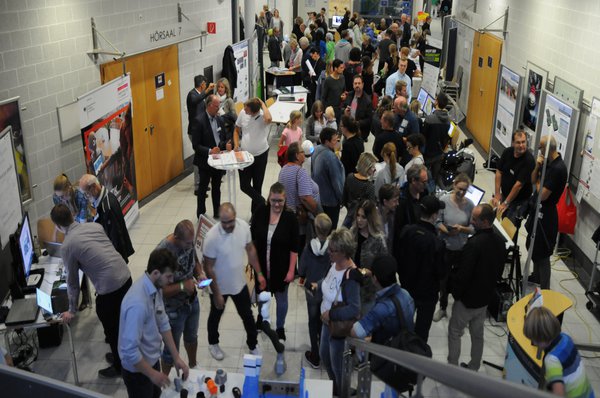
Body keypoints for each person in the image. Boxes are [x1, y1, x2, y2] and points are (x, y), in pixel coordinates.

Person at [50, 204, 132, 379]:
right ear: (72, 214)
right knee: (122, 322)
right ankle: (122, 356)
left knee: (112, 330)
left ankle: (120, 367)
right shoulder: (95, 226)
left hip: (110, 288)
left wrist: (71, 310)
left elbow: (72, 283)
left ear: (57, 226)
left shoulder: (67, 246)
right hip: (125, 276)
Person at [119, 249, 190, 397]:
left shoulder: (156, 288)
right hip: (138, 372)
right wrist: (152, 374)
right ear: (156, 273)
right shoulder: (137, 304)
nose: (171, 281)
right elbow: (129, 351)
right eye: (169, 276)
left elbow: (163, 322)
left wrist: (176, 357)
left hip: (151, 362)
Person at [203, 203, 266, 360]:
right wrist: (217, 294)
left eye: (230, 221)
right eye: (224, 222)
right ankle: (213, 343)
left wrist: (259, 273)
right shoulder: (211, 237)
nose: (228, 225)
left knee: (247, 315)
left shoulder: (243, 227)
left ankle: (253, 344)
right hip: (219, 287)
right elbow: (208, 268)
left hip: (239, 284)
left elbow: (250, 250)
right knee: (215, 316)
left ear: (235, 216)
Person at [447, 204, 506, 370]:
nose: (471, 221)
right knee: (478, 335)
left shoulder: (474, 244)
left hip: (467, 300)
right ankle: (474, 366)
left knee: (454, 332)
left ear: (485, 221)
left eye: (475, 219)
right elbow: (499, 271)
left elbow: (464, 274)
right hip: (485, 299)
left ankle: (451, 368)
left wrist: (456, 294)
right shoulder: (500, 242)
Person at [251, 183, 299, 341]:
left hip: (281, 268)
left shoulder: (291, 218)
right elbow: (252, 239)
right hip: (262, 266)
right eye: (273, 200)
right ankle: (261, 318)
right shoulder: (260, 213)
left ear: (285, 200)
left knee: (281, 299)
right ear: (268, 199)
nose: (277, 204)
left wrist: (292, 270)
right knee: (262, 295)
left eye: (280, 201)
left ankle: (280, 327)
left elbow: (294, 247)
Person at [156, 220, 204, 375]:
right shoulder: (162, 253)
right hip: (173, 309)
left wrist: (200, 274)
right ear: (176, 238)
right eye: (188, 243)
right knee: (171, 351)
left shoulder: (188, 243)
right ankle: (165, 382)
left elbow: (195, 260)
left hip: (191, 301)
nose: (191, 246)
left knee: (192, 337)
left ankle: (193, 366)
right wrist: (183, 286)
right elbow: (159, 291)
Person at [397, 195, 446, 342]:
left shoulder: (406, 231)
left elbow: (399, 257)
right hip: (427, 296)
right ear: (434, 215)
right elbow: (441, 272)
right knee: (421, 334)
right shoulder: (437, 243)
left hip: (406, 290)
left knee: (403, 329)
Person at [319, 228, 362, 396]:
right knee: (325, 357)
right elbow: (330, 283)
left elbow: (354, 308)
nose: (329, 252)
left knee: (339, 369)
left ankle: (342, 392)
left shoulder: (351, 277)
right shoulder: (335, 264)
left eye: (332, 250)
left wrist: (331, 314)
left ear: (343, 252)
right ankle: (335, 390)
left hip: (338, 329)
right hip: (326, 324)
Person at [523, 306, 595, 398]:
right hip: (587, 393)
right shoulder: (566, 338)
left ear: (540, 338)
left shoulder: (552, 360)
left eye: (533, 339)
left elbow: (558, 393)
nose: (533, 343)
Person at [526, 135, 568, 289]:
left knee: (542, 253)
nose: (539, 150)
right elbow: (532, 180)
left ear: (547, 148)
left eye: (541, 147)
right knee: (533, 246)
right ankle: (536, 277)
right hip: (538, 209)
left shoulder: (558, 169)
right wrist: (537, 168)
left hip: (547, 214)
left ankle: (545, 289)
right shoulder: (547, 163)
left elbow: (542, 195)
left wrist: (538, 181)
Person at [433, 173, 475, 322]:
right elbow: (437, 222)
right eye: (459, 189)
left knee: (459, 281)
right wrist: (447, 231)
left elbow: (473, 228)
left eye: (464, 190)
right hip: (445, 247)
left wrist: (462, 229)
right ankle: (443, 307)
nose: (461, 192)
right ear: (454, 185)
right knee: (443, 281)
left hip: (461, 249)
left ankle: (458, 311)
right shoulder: (444, 201)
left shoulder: (470, 205)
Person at [298, 213, 333, 368]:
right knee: (324, 321)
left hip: (311, 291)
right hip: (326, 291)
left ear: (314, 228)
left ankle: (315, 355)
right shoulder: (333, 248)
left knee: (312, 322)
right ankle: (326, 352)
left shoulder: (308, 248)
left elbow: (301, 270)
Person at [79, 174, 134, 263]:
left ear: (93, 187)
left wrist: (115, 261)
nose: (86, 197)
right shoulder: (103, 198)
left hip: (114, 258)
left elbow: (116, 238)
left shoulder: (107, 207)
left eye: (86, 193)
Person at [190, 95, 229, 218]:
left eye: (219, 106)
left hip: (218, 161)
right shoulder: (199, 120)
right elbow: (195, 145)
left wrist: (225, 145)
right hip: (205, 161)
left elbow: (222, 140)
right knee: (203, 189)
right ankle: (201, 213)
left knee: (217, 187)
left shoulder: (219, 120)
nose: (218, 109)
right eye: (216, 106)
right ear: (208, 105)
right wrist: (210, 151)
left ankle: (217, 212)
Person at [234, 97, 272, 213]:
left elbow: (269, 118)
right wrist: (236, 145)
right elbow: (236, 130)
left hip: (261, 155)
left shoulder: (262, 116)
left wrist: (262, 103)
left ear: (254, 111)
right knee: (244, 185)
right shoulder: (242, 113)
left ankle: (255, 215)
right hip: (245, 156)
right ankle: (263, 202)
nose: (244, 110)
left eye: (247, 109)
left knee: (257, 186)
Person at [492, 129, 536, 227]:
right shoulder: (507, 152)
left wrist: (506, 203)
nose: (521, 145)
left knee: (509, 226)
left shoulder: (529, 160)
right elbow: (499, 171)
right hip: (505, 195)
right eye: (518, 142)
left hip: (519, 201)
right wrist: (497, 193)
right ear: (513, 143)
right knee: (500, 219)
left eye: (523, 142)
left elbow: (518, 185)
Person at [393, 164, 429, 260]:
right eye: (423, 182)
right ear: (413, 180)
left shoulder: (424, 193)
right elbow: (399, 230)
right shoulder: (401, 201)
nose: (426, 185)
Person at [186, 75, 215, 195]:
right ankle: (197, 187)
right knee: (198, 157)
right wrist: (207, 91)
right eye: (205, 84)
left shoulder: (200, 95)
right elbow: (195, 100)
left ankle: (203, 183)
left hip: (201, 131)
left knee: (204, 156)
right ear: (202, 84)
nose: (206, 86)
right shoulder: (192, 95)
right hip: (194, 131)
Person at [312, 127, 345, 229]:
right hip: (330, 201)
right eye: (334, 140)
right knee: (330, 229)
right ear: (327, 141)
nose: (337, 142)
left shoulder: (316, 149)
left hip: (318, 198)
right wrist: (341, 199)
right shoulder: (330, 158)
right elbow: (337, 182)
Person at [342, 152, 378, 227]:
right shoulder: (370, 186)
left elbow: (344, 199)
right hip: (362, 222)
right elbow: (371, 210)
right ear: (366, 167)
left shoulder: (350, 177)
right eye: (373, 167)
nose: (374, 169)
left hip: (349, 216)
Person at [423, 92, 451, 183]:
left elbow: (423, 136)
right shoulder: (448, 121)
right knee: (434, 179)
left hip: (427, 155)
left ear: (436, 102)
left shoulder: (429, 119)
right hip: (439, 154)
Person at [351, 200, 387, 269]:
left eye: (363, 217)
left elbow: (383, 264)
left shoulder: (379, 239)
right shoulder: (353, 231)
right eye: (358, 215)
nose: (359, 220)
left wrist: (370, 273)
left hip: (368, 278)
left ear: (370, 218)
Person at [341, 75, 373, 141]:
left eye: (359, 83)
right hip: (347, 131)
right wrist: (344, 111)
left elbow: (369, 120)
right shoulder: (349, 95)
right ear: (353, 85)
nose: (357, 85)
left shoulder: (367, 101)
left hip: (359, 134)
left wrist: (357, 123)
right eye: (355, 83)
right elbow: (342, 108)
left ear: (362, 84)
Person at [321, 59, 346, 123]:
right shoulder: (328, 80)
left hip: (339, 109)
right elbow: (323, 97)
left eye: (343, 67)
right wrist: (324, 111)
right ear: (335, 68)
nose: (343, 69)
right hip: (330, 110)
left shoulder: (342, 78)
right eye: (341, 68)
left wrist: (344, 96)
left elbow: (344, 91)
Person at [378, 184, 400, 253]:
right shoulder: (375, 217)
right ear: (385, 202)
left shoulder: (394, 214)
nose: (397, 203)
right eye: (394, 201)